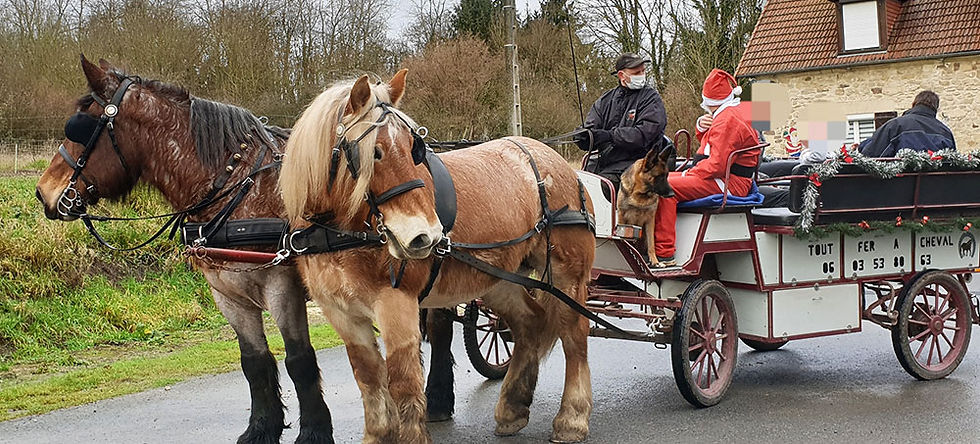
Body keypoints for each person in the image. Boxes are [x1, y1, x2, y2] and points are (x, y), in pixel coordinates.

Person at [652, 68, 760, 267]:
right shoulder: (729, 114)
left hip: (728, 182)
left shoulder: (727, 120)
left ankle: (664, 252)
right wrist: (701, 129)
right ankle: (656, 246)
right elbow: (713, 148)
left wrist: (690, 172)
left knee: (665, 188)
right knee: (656, 181)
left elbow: (716, 163)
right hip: (723, 177)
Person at [574, 53, 667, 191]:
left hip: (642, 162)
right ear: (621, 76)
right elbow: (592, 127)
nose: (641, 75)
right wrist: (583, 136)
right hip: (608, 162)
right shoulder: (605, 100)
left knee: (605, 184)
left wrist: (610, 136)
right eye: (636, 72)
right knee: (578, 182)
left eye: (643, 71)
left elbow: (644, 134)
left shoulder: (651, 99)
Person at [858, 90, 955, 157]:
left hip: (897, 184)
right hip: (935, 185)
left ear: (913, 105)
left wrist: (859, 147)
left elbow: (870, 155)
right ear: (935, 109)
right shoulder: (946, 132)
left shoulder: (896, 125)